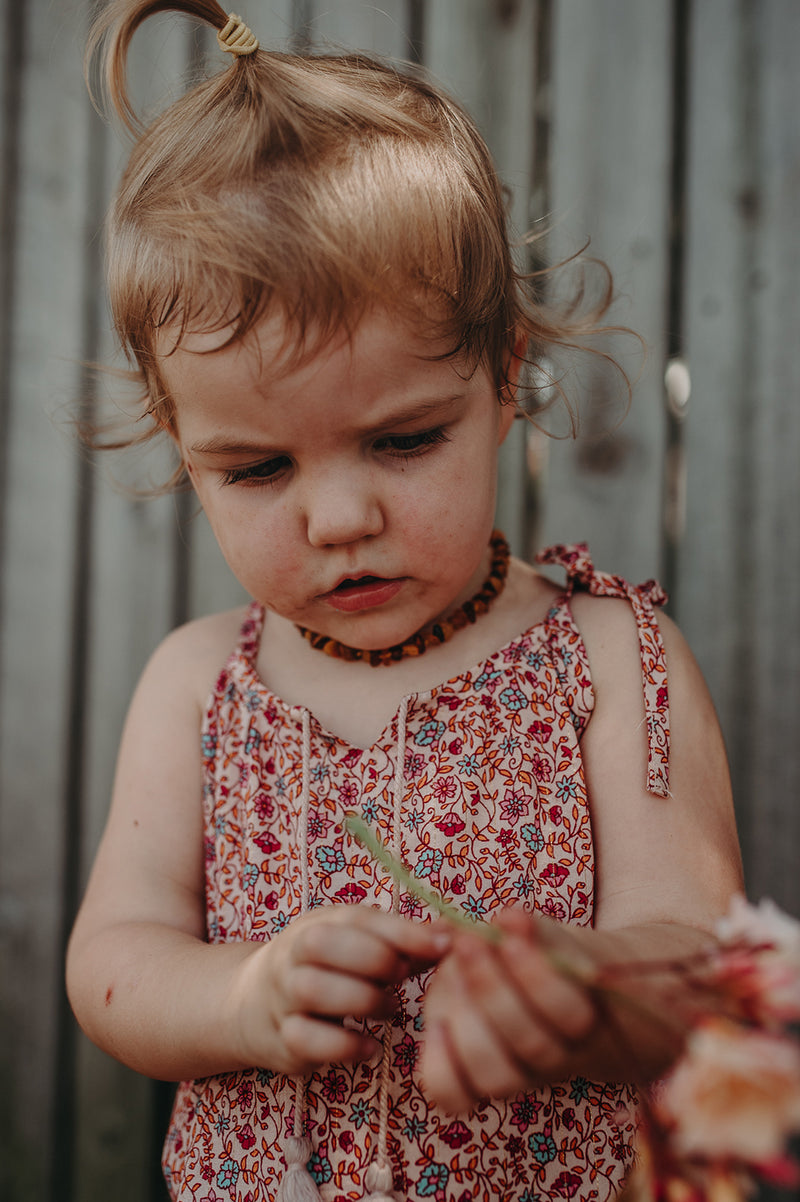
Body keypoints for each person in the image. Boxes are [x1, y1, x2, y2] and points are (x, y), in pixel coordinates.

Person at [66, 3, 744, 1200]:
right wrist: (243, 996)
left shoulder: (607, 658)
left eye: (402, 438)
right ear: (184, 445)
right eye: (258, 468)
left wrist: (580, 989)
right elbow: (114, 963)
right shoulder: (196, 684)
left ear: (500, 375)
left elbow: (698, 963)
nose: (336, 519)